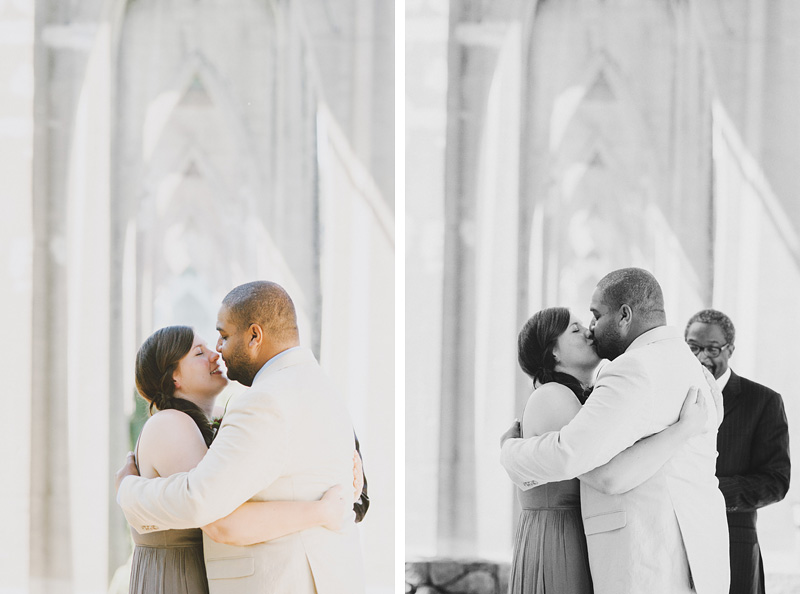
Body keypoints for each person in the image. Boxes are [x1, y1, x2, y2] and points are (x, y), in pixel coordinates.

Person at [116, 281, 365, 593]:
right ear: (173, 376)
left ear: (254, 336)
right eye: (200, 350)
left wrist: (129, 491)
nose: (217, 352)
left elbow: (211, 511)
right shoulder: (320, 388)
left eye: (222, 337)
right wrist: (328, 507)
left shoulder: (262, 402)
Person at [500, 268, 729, 594]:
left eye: (594, 317)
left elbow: (595, 469)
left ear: (624, 315)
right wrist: (682, 430)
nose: (591, 330)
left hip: (648, 557)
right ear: (553, 352)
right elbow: (598, 469)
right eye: (577, 328)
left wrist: (510, 452)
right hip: (568, 544)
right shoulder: (683, 365)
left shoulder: (634, 368)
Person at [685, 309, 790, 594]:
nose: (701, 357)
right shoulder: (673, 396)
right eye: (693, 347)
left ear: (730, 349)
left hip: (734, 545)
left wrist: (711, 492)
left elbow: (776, 481)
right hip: (678, 545)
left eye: (712, 348)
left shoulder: (764, 401)